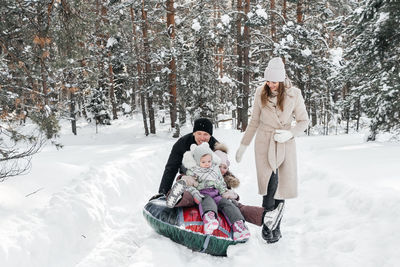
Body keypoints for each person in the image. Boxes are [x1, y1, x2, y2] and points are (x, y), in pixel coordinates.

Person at [235, 57, 309, 243]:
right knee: (270, 185)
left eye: (274, 81)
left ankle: (277, 225)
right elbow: (254, 122)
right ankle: (268, 225)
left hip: (284, 143)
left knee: (281, 188)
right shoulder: (260, 92)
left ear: (282, 80)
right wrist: (243, 145)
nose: (270, 84)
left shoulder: (295, 94)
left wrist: (290, 134)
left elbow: (304, 121)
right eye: (268, 80)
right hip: (265, 141)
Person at [181, 142, 250, 240]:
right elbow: (190, 184)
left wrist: (224, 192)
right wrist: (194, 192)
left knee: (228, 204)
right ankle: (209, 219)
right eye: (203, 162)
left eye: (209, 161)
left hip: (216, 194)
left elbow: (220, 182)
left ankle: (238, 226)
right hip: (203, 194)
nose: (207, 164)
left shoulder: (214, 170)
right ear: (197, 161)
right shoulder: (193, 171)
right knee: (208, 202)